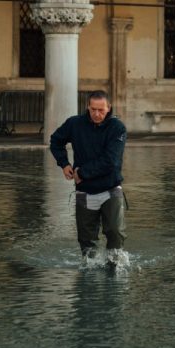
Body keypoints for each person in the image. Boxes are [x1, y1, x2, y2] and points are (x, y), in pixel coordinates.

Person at [50, 90, 127, 265]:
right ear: (88, 107)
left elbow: (111, 161)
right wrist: (64, 164)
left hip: (111, 188)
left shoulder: (118, 128)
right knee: (86, 240)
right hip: (85, 190)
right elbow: (55, 141)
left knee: (115, 232)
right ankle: (90, 270)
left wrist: (81, 173)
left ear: (109, 108)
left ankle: (114, 265)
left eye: (101, 110)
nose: (97, 114)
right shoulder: (75, 123)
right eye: (93, 109)